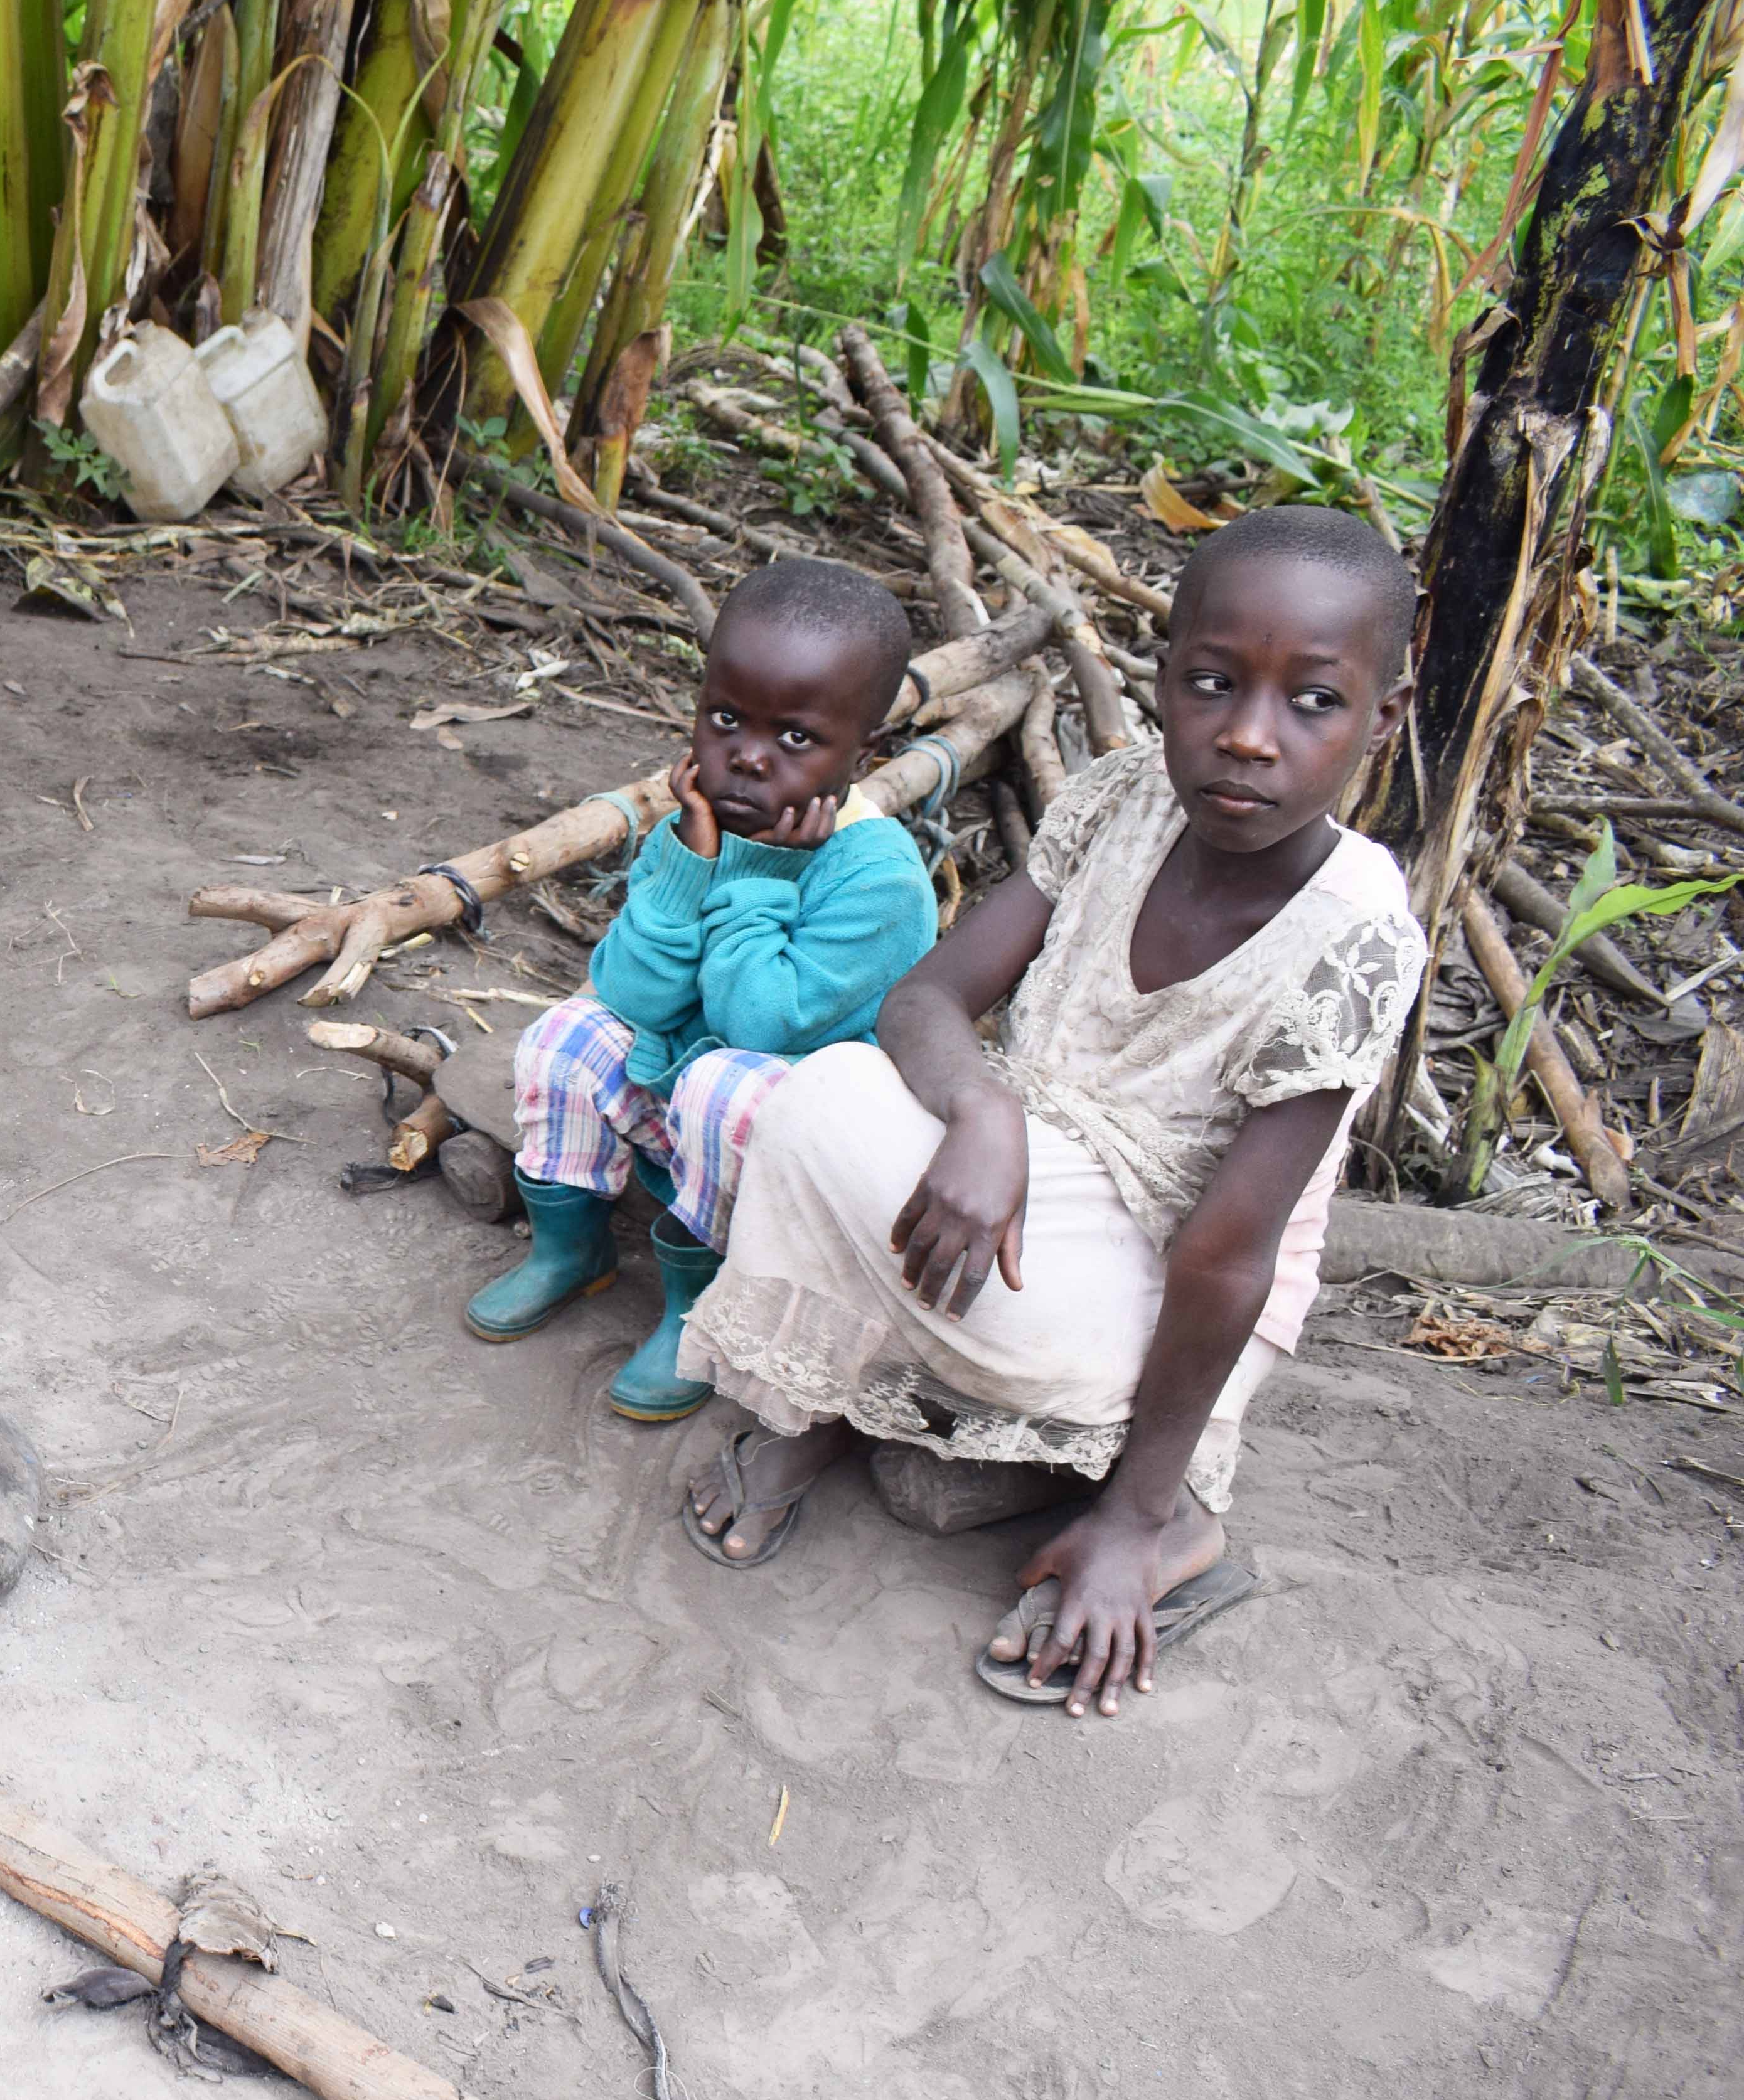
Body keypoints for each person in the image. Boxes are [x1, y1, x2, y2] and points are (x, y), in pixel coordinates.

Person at [678, 506, 1432, 1720]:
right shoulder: (1124, 797)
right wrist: (982, 1112)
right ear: (1162, 677)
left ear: (1381, 719)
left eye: (1313, 703)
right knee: (805, 1100)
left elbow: (1230, 1257)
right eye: (1211, 684)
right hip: (1024, 1174)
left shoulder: (1355, 938)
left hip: (1166, 1279)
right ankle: (839, 1393)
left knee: (974, 1282)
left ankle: (1163, 1514)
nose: (1246, 738)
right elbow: (927, 999)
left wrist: (1128, 1524)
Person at [468, 558, 935, 1422]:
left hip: (800, 1146)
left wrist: (755, 875)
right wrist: (688, 867)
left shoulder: (880, 880)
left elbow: (757, 1022)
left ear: (863, 754)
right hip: (690, 1096)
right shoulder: (696, 826)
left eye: (796, 738)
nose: (748, 759)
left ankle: (703, 1307)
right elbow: (633, 995)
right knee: (571, 1035)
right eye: (726, 719)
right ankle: (570, 1250)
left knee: (725, 1082)